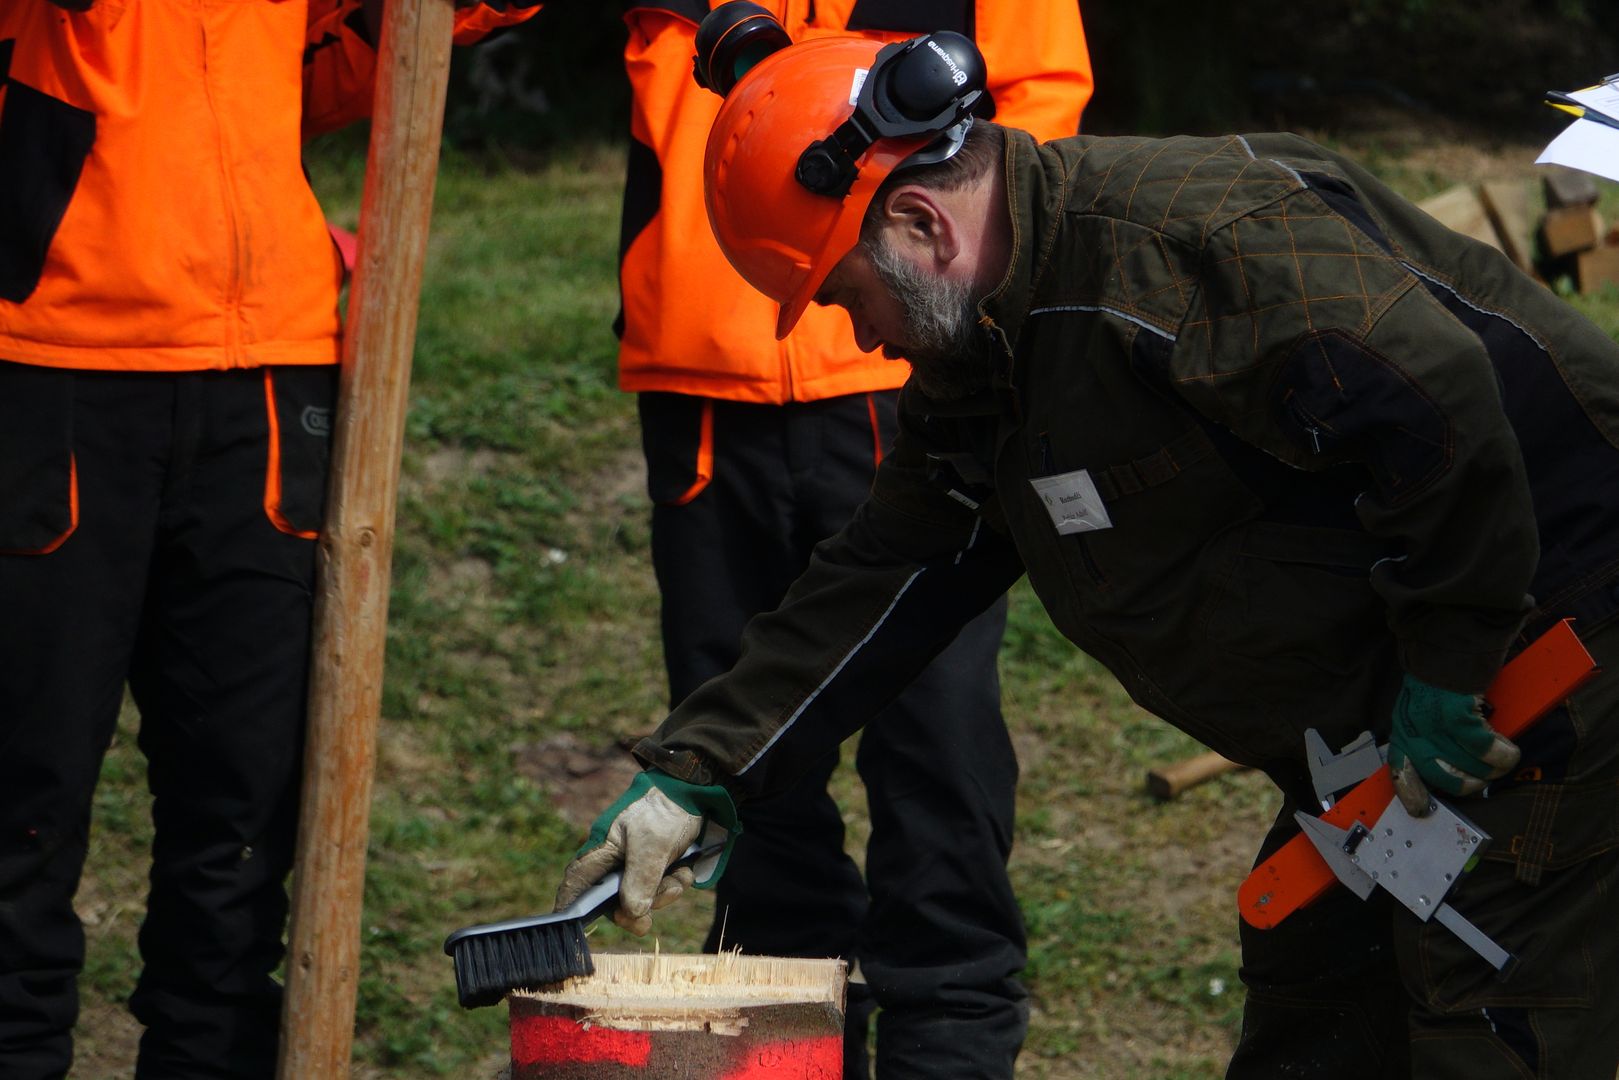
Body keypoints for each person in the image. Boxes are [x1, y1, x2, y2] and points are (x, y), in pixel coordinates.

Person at [557, 18, 1619, 1079]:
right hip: (1406, 707)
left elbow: (1433, 402)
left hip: (1554, 650)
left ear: (919, 222)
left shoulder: (1175, 256)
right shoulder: (993, 352)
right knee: (1318, 985)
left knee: (1487, 999)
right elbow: (892, 567)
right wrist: (703, 770)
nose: (861, 337)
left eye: (847, 299)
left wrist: (1448, 661)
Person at [0, 2, 533, 1076]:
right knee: (21, 816)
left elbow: (328, 70)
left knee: (241, 829)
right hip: (52, 350)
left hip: (269, 362)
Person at [605, 3, 1089, 1075]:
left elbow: (1036, 111)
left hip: (905, 354)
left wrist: (958, 294)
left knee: (936, 748)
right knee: (740, 739)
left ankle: (949, 1035)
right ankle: (777, 1040)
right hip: (701, 369)